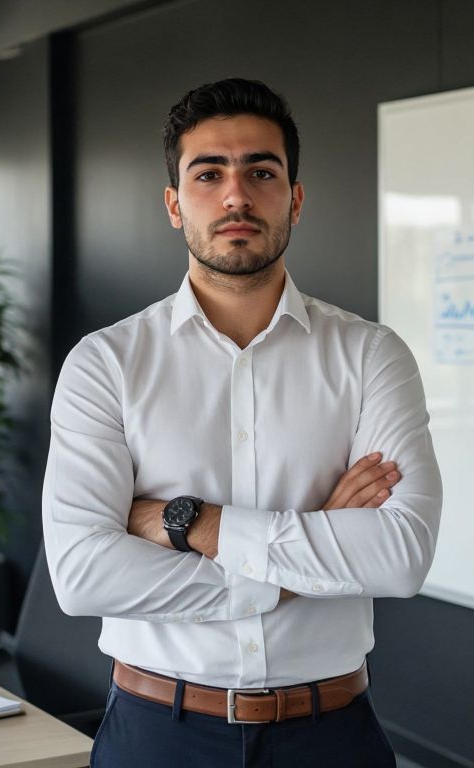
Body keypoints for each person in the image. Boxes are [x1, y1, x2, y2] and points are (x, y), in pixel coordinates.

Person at [42, 78, 442, 767]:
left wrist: (189, 523)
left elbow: (401, 555)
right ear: (174, 204)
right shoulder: (105, 364)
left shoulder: (372, 356)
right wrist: (309, 547)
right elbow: (82, 575)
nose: (236, 195)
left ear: (295, 197)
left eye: (262, 171)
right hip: (158, 732)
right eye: (208, 173)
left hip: (331, 735)